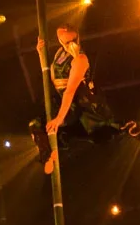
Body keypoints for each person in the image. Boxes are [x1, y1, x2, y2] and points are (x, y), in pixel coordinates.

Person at [29, 24, 129, 174]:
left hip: (75, 105)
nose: (64, 42)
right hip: (61, 100)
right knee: (36, 125)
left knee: (53, 126)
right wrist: (40, 54)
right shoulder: (59, 53)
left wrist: (58, 118)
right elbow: (49, 74)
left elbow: (70, 92)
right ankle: (48, 155)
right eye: (61, 38)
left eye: (67, 39)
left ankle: (52, 152)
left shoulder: (80, 59)